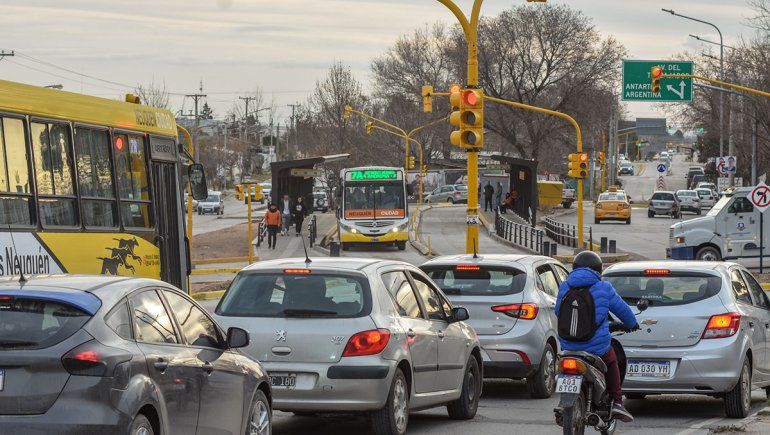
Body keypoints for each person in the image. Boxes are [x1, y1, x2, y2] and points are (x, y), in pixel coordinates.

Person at [555, 251, 640, 423]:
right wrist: (632, 324)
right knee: (612, 359)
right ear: (598, 270)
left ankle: (564, 403)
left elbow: (558, 311)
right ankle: (617, 401)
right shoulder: (603, 287)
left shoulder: (565, 286)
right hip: (595, 347)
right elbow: (622, 309)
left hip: (568, 344)